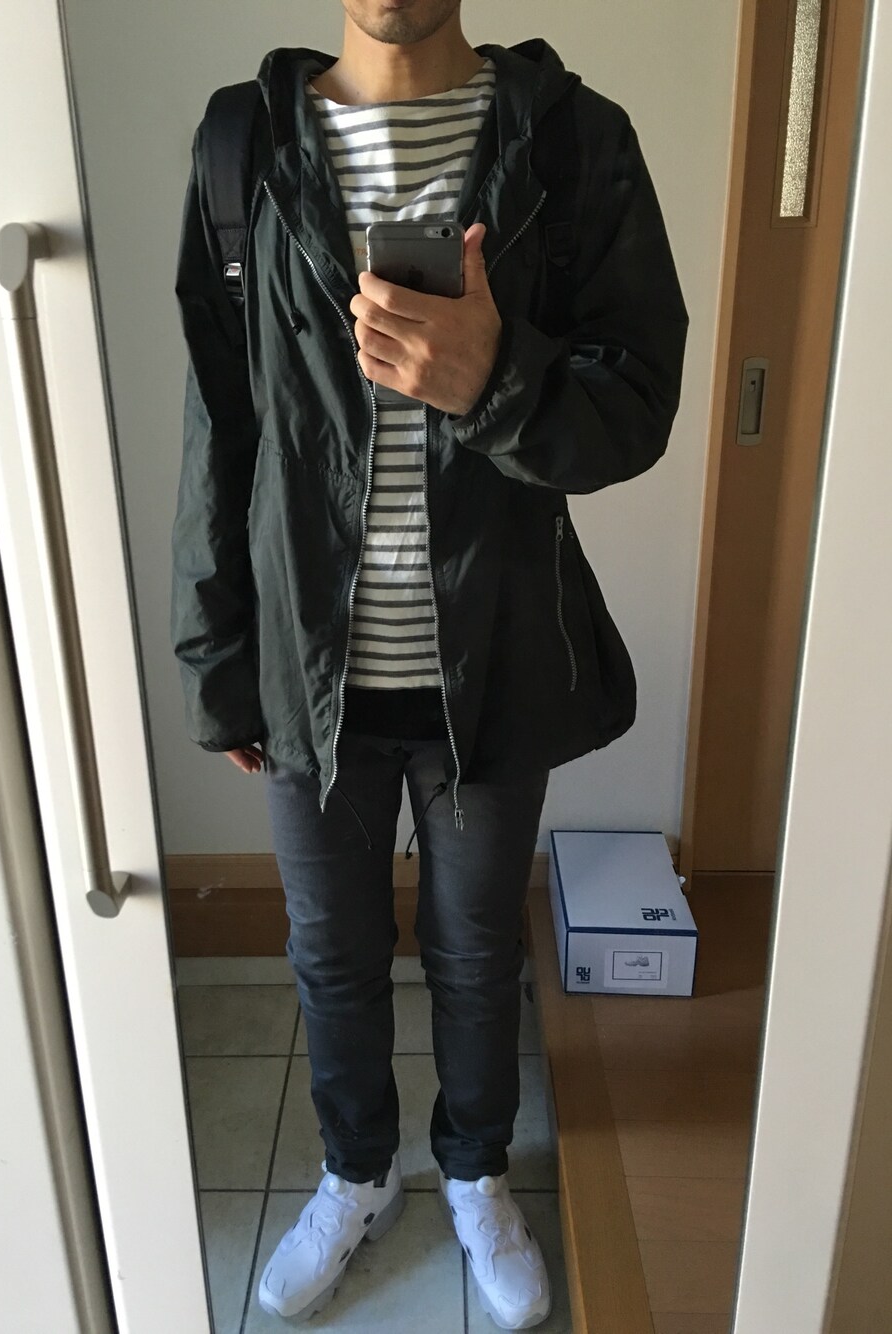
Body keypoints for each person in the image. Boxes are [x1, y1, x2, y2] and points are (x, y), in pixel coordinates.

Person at [172, 0, 688, 1325]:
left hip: (493, 659)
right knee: (331, 955)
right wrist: (217, 653)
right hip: (309, 666)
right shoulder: (243, 147)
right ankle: (358, 1171)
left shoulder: (573, 141)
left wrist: (493, 378)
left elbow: (638, 404)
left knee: (474, 950)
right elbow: (222, 419)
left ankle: (472, 1168)